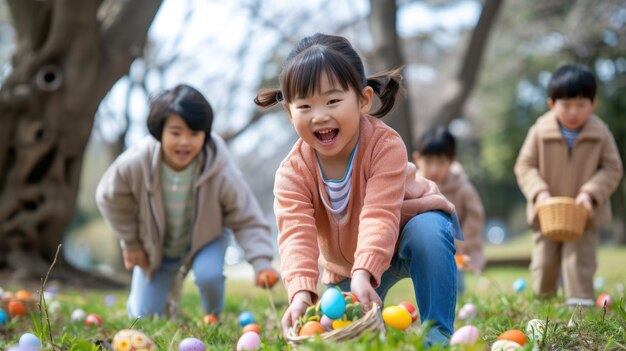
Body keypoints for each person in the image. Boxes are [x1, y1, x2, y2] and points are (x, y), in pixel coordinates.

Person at [254, 33, 462, 347]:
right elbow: (296, 235)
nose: (320, 115)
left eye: (333, 101)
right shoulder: (292, 173)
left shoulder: (384, 145)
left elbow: (379, 214)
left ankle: (437, 336)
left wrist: (365, 271)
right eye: (306, 105)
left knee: (429, 232)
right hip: (349, 267)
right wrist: (299, 293)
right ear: (289, 112)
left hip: (406, 235)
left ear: (363, 99)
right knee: (340, 335)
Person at [96, 84, 278, 319]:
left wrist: (261, 261)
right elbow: (109, 197)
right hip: (157, 246)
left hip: (206, 240)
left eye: (194, 134)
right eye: (175, 132)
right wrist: (131, 242)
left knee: (209, 275)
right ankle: (168, 303)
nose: (185, 142)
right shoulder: (137, 161)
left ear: (205, 134)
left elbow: (244, 214)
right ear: (159, 130)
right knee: (142, 317)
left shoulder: (219, 166)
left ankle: (213, 317)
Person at [514, 64, 623, 306]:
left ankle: (580, 307)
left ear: (593, 103)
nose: (573, 112)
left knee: (579, 262)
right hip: (546, 214)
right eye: (566, 105)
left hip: (583, 215)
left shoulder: (600, 133)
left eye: (581, 105)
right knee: (544, 263)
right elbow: (525, 165)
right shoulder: (540, 131)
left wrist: (590, 193)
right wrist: (539, 192)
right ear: (551, 104)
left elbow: (612, 168)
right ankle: (545, 306)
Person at [413, 126, 485, 294]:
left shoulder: (462, 187)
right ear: (417, 158)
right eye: (429, 161)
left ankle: (458, 299)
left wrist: (462, 242)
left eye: (441, 162)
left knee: (454, 277)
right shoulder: (413, 185)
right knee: (427, 279)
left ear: (452, 161)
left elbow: (475, 216)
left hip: (455, 245)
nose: (435, 169)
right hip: (424, 244)